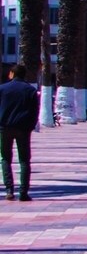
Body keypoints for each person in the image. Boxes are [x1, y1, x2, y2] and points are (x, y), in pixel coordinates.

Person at [0, 65, 37, 200]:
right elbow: (35, 112)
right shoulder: (30, 90)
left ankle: (9, 190)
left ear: (11, 74)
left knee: (5, 158)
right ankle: (23, 192)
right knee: (24, 160)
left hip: (5, 128)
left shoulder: (2, 89)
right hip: (23, 129)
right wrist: (30, 126)